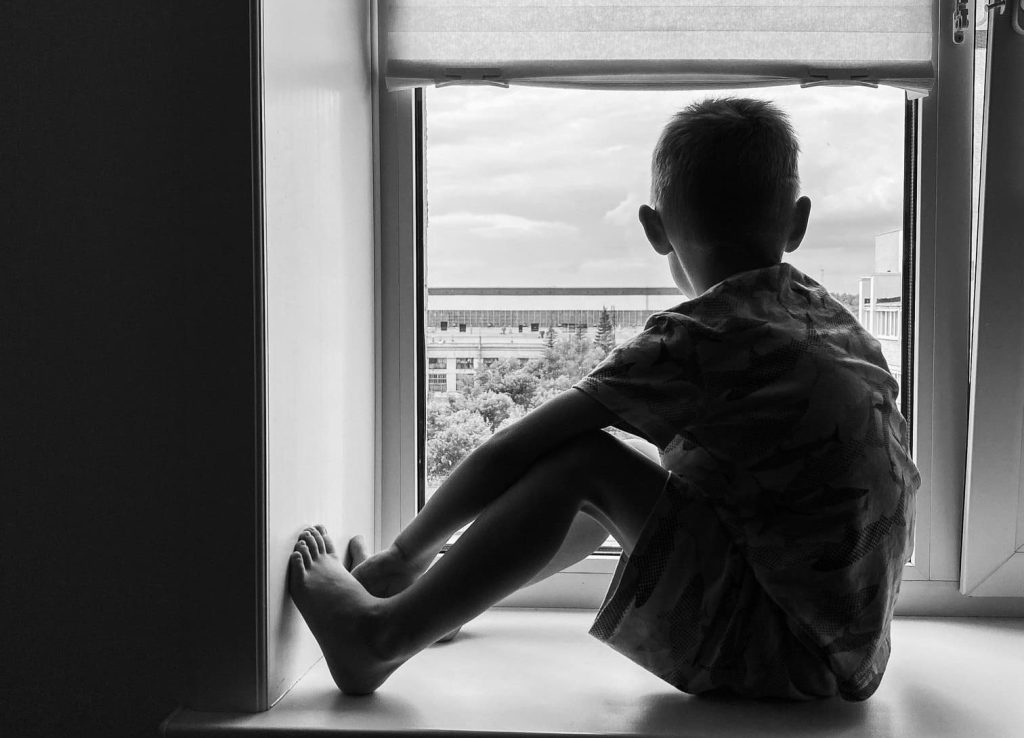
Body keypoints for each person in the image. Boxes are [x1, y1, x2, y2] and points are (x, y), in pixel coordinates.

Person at [288, 97, 920, 701]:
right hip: (844, 649)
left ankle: (381, 636)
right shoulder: (825, 318)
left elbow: (513, 449)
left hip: (780, 654)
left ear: (653, 230)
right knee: (617, 478)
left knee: (582, 462)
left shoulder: (705, 336)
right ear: (799, 220)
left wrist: (403, 554)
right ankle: (437, 607)